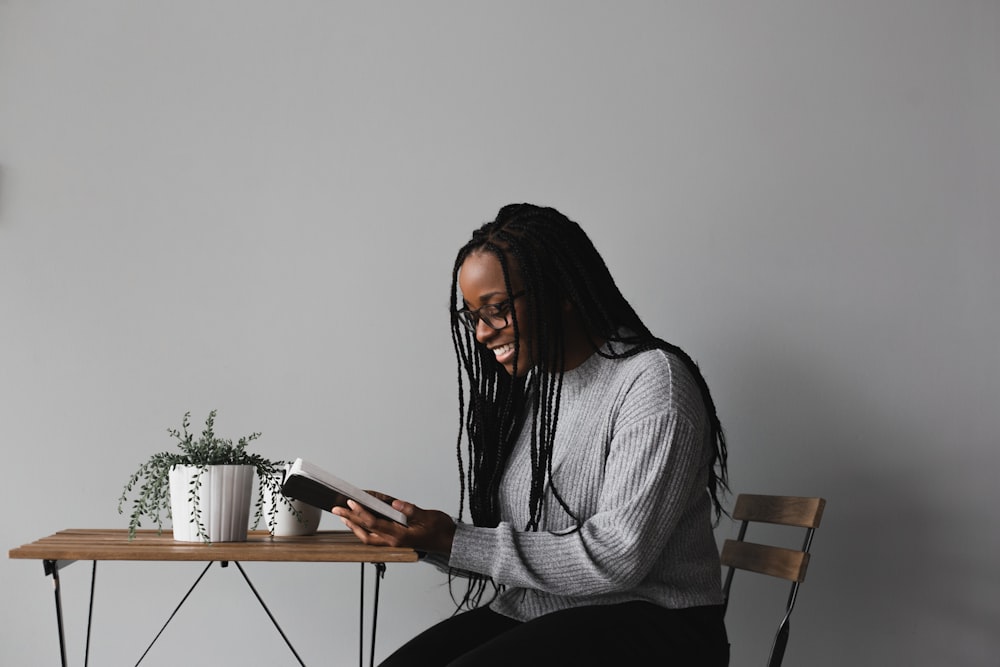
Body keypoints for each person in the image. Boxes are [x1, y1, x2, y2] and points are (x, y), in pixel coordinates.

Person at [333, 203, 731, 666]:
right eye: (473, 316)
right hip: (543, 611)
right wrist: (421, 536)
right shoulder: (542, 389)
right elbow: (533, 542)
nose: (482, 333)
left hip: (659, 629)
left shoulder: (653, 384)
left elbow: (619, 557)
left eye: (497, 309)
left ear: (557, 291)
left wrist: (454, 540)